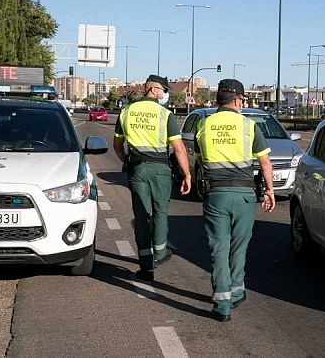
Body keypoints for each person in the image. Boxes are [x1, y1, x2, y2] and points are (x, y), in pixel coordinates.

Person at [194, 79, 275, 322]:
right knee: (239, 246)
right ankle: (237, 292)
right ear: (238, 100)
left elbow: (200, 160)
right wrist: (270, 191)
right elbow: (265, 163)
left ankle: (222, 304)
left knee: (218, 247)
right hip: (244, 196)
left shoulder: (204, 125)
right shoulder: (249, 126)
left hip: (215, 195)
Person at [113, 75, 192, 282]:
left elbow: (117, 145)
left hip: (137, 168)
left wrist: (127, 161)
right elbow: (178, 148)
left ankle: (146, 266)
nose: (165, 94)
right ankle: (160, 252)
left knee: (141, 215)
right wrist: (187, 174)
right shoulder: (165, 115)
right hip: (160, 170)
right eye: (164, 90)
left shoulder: (127, 112)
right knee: (160, 211)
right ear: (154, 89)